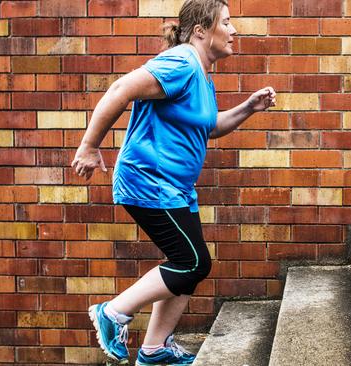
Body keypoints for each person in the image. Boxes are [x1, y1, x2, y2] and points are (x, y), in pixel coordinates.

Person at [71, 0, 276, 364]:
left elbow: (208, 128)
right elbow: (121, 88)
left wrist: (248, 107)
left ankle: (153, 349)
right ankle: (113, 312)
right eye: (226, 23)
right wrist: (89, 146)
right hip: (149, 181)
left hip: (176, 188)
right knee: (192, 262)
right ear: (201, 30)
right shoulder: (180, 62)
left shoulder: (200, 74)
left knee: (184, 266)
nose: (233, 31)